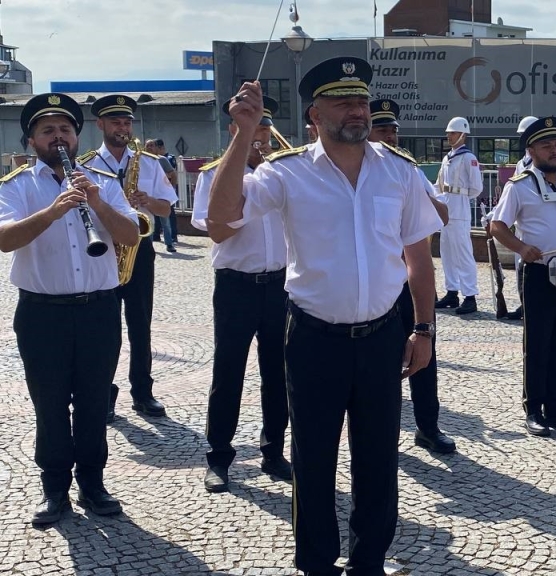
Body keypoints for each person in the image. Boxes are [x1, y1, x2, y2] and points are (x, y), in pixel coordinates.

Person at [207, 57, 441, 576]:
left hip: (383, 334)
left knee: (378, 456)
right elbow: (221, 222)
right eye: (343, 101)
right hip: (313, 337)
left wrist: (423, 328)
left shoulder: (399, 172)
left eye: (360, 99)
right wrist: (243, 135)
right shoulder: (285, 173)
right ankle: (315, 562)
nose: (357, 110)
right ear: (315, 114)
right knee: (313, 458)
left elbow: (418, 258)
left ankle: (368, 561)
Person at [0, 93, 140, 525]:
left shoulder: (103, 181)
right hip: (43, 314)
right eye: (48, 131)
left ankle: (93, 484)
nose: (58, 137)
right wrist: (54, 209)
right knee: (50, 402)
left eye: (65, 129)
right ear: (32, 140)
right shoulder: (18, 185)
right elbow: (5, 238)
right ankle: (54, 489)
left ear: (76, 136)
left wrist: (95, 202)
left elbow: (131, 236)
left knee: (95, 402)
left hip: (98, 310)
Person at [190, 95, 292, 493]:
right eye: (253, 130)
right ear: (235, 130)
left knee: (278, 374)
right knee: (228, 373)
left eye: (265, 131)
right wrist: (245, 203)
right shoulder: (213, 175)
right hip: (236, 284)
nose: (261, 139)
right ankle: (218, 457)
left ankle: (274, 452)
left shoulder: (281, 175)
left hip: (279, 284)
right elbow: (218, 228)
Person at [490, 116, 556, 437]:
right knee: (538, 342)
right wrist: (521, 247)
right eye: (546, 145)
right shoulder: (519, 185)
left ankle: (555, 404)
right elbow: (497, 226)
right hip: (539, 274)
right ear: (531, 150)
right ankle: (534, 407)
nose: (554, 150)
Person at [79, 94, 177, 421]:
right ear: (101, 125)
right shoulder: (87, 164)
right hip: (103, 249)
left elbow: (167, 208)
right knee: (103, 328)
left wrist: (148, 200)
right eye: (116, 122)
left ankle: (143, 392)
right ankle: (103, 393)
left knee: (140, 324)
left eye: (127, 122)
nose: (122, 127)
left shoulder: (148, 162)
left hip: (140, 250)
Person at [368, 98, 457, 454]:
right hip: (379, 282)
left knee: (425, 354)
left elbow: (443, 215)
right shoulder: (357, 172)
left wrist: (417, 194)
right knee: (381, 363)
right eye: (382, 129)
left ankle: (428, 427)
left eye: (393, 130)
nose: (390, 136)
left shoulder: (408, 170)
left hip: (412, 279)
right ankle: (381, 432)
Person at [434, 116, 483, 315]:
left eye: (452, 132)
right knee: (447, 253)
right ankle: (452, 291)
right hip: (446, 209)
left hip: (460, 210)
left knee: (463, 254)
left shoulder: (468, 158)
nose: (449, 135)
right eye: (448, 132)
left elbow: (477, 188)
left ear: (463, 134)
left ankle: (470, 296)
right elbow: (439, 183)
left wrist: (458, 195)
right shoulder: (448, 157)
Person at [502, 115, 540, 320]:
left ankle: (530, 304)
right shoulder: (521, 163)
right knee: (519, 265)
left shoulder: (537, 162)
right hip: (520, 222)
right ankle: (523, 302)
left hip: (533, 220)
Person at [145, 138, 178, 252]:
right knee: (148, 221)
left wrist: (171, 189)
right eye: (147, 145)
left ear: (156, 148)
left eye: (152, 145)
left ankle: (169, 244)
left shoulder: (162, 160)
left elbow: (173, 174)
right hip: (148, 196)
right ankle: (148, 246)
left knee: (166, 222)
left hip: (160, 196)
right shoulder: (141, 160)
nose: (149, 148)